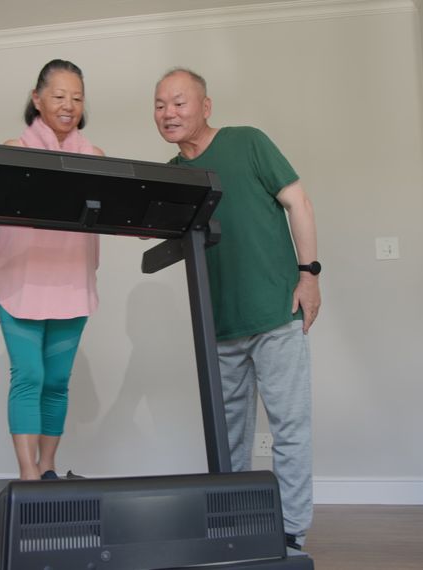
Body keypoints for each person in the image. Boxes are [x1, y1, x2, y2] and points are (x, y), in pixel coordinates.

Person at [153, 68, 320, 550]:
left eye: (180, 103)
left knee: (290, 427)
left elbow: (299, 202)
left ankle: (290, 532)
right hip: (218, 324)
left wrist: (309, 274)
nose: (169, 113)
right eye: (161, 104)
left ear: (206, 107)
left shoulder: (247, 142)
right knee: (226, 438)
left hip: (275, 310)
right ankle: (233, 525)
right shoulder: (173, 174)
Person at [0, 59, 104, 481]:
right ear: (37, 100)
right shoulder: (13, 151)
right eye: (58, 96)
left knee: (57, 380)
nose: (68, 105)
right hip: (20, 284)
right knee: (29, 375)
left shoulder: (94, 157)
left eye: (76, 97)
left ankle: (48, 466)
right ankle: (28, 474)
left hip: (72, 284)